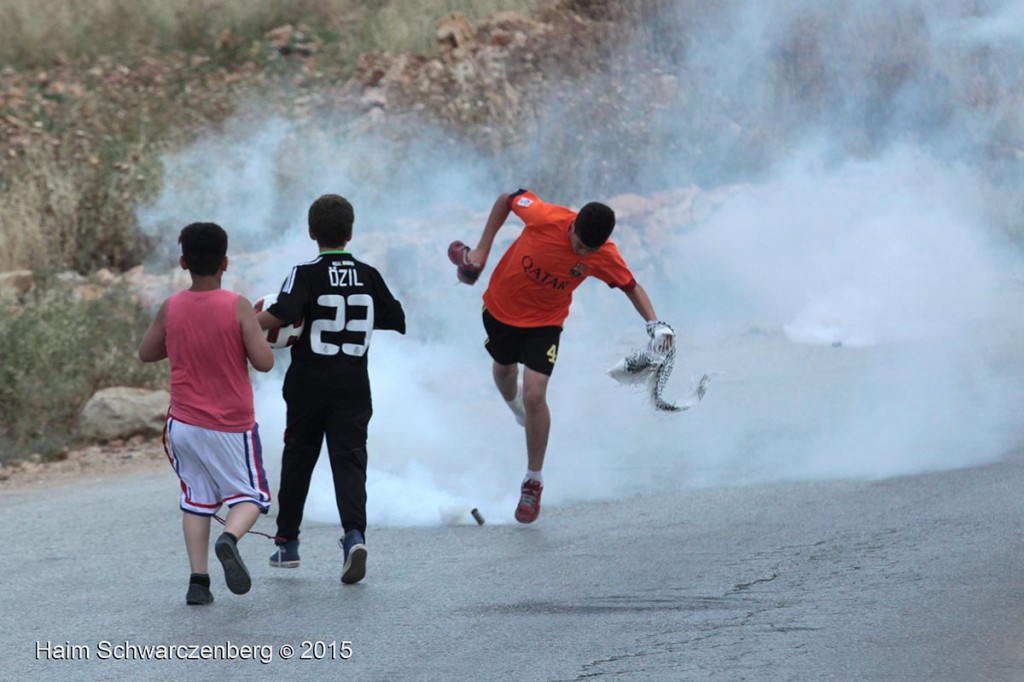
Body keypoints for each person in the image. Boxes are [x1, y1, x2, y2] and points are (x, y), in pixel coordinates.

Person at [461, 189, 675, 523]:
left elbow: (631, 286)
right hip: (500, 311)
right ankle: (518, 411)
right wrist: (482, 250)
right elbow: (506, 199)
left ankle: (533, 480)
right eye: (578, 245)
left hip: (545, 324)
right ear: (573, 225)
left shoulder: (602, 254)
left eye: (589, 250)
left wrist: (655, 324)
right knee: (503, 374)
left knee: (535, 395)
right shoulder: (544, 217)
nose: (581, 252)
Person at [256, 193, 406, 585]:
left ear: (311, 232)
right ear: (351, 232)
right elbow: (395, 317)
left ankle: (287, 543)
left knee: (299, 458)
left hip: (308, 384)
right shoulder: (369, 274)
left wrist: (247, 322)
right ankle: (354, 536)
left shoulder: (303, 272)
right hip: (354, 384)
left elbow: (285, 313)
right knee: (350, 461)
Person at [138, 222, 275, 605]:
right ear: (225, 263)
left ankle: (198, 582)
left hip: (183, 425)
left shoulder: (172, 306)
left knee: (196, 499)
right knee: (251, 495)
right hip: (231, 425)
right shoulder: (238, 306)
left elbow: (147, 352)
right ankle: (229, 538)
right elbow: (263, 362)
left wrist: (182, 337)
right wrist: (261, 330)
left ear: (183, 262)